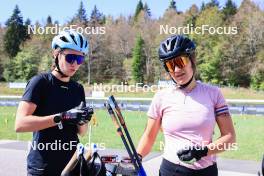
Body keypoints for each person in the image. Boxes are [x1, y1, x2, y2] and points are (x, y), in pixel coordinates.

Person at [136, 35, 236, 176]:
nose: (176, 70)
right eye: (170, 65)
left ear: (192, 60)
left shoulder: (214, 94)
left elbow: (230, 138)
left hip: (207, 171)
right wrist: (136, 158)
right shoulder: (161, 97)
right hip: (171, 170)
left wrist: (203, 151)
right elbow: (149, 136)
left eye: (180, 61)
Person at [15, 29, 93, 176]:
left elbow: (82, 133)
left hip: (72, 166)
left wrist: (82, 119)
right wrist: (63, 117)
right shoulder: (40, 83)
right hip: (43, 168)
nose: (75, 64)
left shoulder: (78, 88)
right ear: (56, 54)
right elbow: (20, 124)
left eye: (80, 59)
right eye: (70, 58)